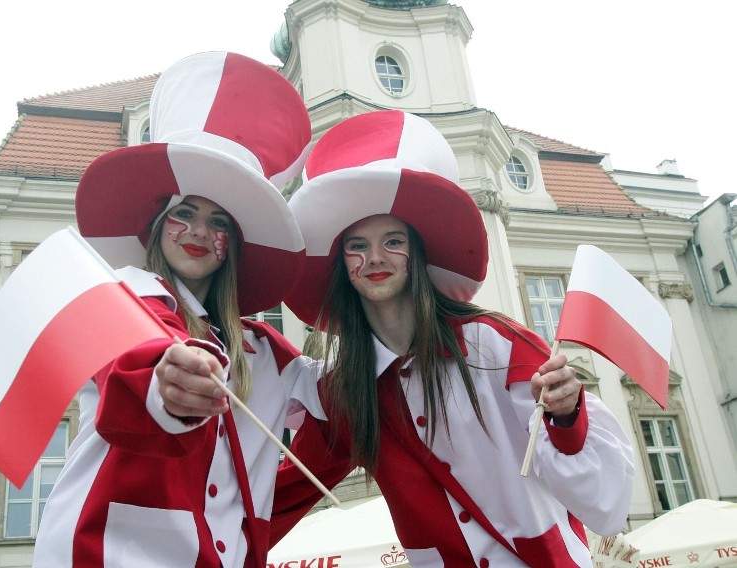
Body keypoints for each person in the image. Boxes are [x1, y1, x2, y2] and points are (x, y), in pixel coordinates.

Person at [269, 110, 635, 567]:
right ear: (343, 264)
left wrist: (566, 416)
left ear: (416, 252)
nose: (375, 257)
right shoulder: (348, 390)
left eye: (393, 241)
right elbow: (279, 495)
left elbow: (604, 500)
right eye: (357, 245)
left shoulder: (495, 344)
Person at [33, 51, 324, 568]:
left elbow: (347, 407)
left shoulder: (264, 350)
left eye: (217, 223)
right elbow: (137, 357)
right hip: (102, 553)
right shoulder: (124, 293)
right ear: (156, 225)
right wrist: (166, 381)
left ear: (231, 243)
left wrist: (257, 513)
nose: (196, 232)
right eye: (183, 213)